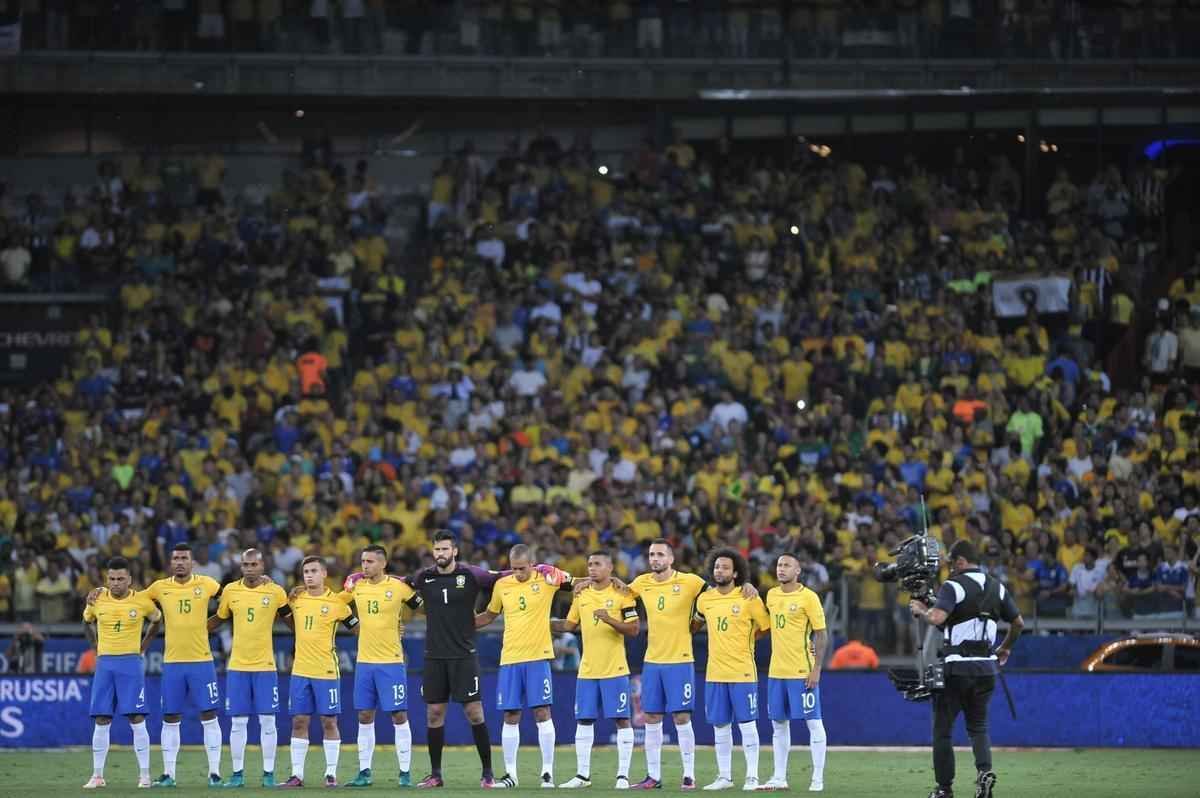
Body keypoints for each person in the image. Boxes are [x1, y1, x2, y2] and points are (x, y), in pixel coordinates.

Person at [574, 538, 753, 790]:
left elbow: (721, 588)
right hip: (652, 661)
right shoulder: (641, 583)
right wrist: (583, 583)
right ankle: (653, 776)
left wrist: (745, 585)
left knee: (681, 717)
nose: (655, 559)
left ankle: (689, 775)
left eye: (660, 554)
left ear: (671, 559)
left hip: (680, 660)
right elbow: (614, 586)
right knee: (651, 717)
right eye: (651, 555)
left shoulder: (690, 582)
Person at [91, 543, 225, 787]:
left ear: (192, 562)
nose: (180, 562)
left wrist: (214, 622)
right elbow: (126, 594)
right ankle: (168, 774)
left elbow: (233, 597)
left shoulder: (206, 583)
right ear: (170, 562)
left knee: (209, 714)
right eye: (176, 558)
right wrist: (101, 589)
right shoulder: (159, 588)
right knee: (170, 717)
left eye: (184, 558)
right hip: (172, 662)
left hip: (202, 660)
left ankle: (214, 772)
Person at [908, 540, 1025, 798]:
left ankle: (944, 789)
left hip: (956, 669)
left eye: (951, 563)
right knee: (979, 727)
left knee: (942, 730)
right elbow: (1018, 622)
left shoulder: (953, 585)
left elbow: (937, 618)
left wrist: (921, 609)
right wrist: (1005, 648)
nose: (949, 569)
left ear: (961, 561)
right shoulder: (998, 587)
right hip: (986, 670)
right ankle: (984, 774)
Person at [402, 531, 503, 788]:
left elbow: (502, 579)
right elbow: (396, 582)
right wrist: (362, 576)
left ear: (455, 551)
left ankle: (488, 773)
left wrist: (540, 571)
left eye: (445, 549)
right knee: (434, 713)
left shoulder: (471, 574)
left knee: (474, 711)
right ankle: (436, 774)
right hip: (434, 656)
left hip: (463, 655)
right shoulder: (424, 577)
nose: (441, 554)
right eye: (437, 550)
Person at [474, 543, 573, 788]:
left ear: (532, 563)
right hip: (510, 658)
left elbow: (574, 583)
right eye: (513, 568)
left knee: (542, 713)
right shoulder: (502, 585)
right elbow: (489, 615)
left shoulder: (547, 578)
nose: (517, 573)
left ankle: (547, 773)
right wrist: (461, 624)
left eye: (522, 568)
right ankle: (511, 775)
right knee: (511, 714)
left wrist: (572, 576)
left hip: (538, 656)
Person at [551, 551, 640, 789]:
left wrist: (610, 619)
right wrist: (543, 622)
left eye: (597, 564)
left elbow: (634, 630)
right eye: (589, 564)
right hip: (587, 670)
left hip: (615, 669)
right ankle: (582, 775)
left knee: (622, 720)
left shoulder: (623, 594)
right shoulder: (581, 594)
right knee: (584, 720)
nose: (591, 568)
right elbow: (570, 625)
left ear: (610, 567)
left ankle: (622, 776)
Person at [337, 544, 424, 787]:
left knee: (399, 714)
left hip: (392, 663)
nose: (365, 565)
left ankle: (405, 773)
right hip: (365, 663)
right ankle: (364, 772)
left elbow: (423, 606)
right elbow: (334, 604)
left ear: (383, 564)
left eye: (370, 561)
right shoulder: (356, 587)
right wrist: (353, 623)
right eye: (363, 561)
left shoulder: (398, 587)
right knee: (364, 715)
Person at [207, 548, 291, 788]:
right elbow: (219, 618)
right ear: (240, 567)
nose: (250, 569)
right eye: (246, 565)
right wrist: (194, 629)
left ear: (263, 566)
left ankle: (268, 774)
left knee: (267, 722)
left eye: (254, 565)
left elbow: (290, 619)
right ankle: (237, 774)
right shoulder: (231, 591)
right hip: (238, 666)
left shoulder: (276, 591)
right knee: (238, 722)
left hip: (265, 666)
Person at [691, 547, 770, 791]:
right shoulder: (705, 599)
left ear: (735, 573)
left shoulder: (748, 597)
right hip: (715, 672)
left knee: (747, 724)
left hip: (743, 671)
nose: (720, 571)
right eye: (717, 567)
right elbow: (695, 624)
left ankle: (752, 777)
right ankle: (724, 777)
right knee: (720, 726)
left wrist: (744, 640)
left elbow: (766, 627)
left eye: (725, 567)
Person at [81, 557, 161, 790]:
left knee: (136, 718)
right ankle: (97, 775)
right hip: (105, 664)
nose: (116, 583)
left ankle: (144, 775)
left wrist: (144, 646)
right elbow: (86, 621)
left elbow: (157, 620)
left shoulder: (142, 601)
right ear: (107, 580)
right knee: (102, 718)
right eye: (112, 579)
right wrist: (95, 646)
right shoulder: (96, 599)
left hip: (130, 664)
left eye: (121, 579)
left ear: (130, 580)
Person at [279, 556, 354, 788]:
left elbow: (358, 628)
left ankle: (331, 774)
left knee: (329, 722)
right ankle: (297, 775)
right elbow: (289, 620)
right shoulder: (296, 599)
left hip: (327, 671)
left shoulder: (338, 603)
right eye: (305, 572)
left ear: (324, 574)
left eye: (313, 571)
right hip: (300, 671)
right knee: (299, 722)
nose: (309, 575)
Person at [763, 551, 829, 792]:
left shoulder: (809, 598)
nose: (781, 569)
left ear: (797, 571)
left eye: (787, 565)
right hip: (775, 672)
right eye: (779, 564)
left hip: (801, 671)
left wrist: (816, 669)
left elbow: (821, 633)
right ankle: (779, 777)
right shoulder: (771, 595)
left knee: (813, 722)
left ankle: (817, 778)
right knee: (778, 724)